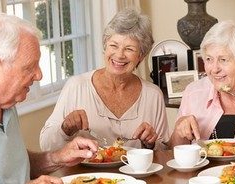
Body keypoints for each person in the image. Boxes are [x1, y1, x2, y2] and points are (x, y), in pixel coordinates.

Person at [0, 14, 99, 184]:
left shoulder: (6, 102)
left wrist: (57, 157)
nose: (39, 75)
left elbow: (14, 166)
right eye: (29, 67)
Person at [40, 8, 169, 151]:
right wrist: (65, 129)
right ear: (105, 46)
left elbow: (164, 153)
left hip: (136, 173)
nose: (119, 55)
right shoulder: (76, 86)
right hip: (85, 173)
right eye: (114, 45)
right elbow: (46, 145)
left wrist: (151, 143)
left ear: (141, 55)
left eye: (129, 49)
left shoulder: (153, 95)